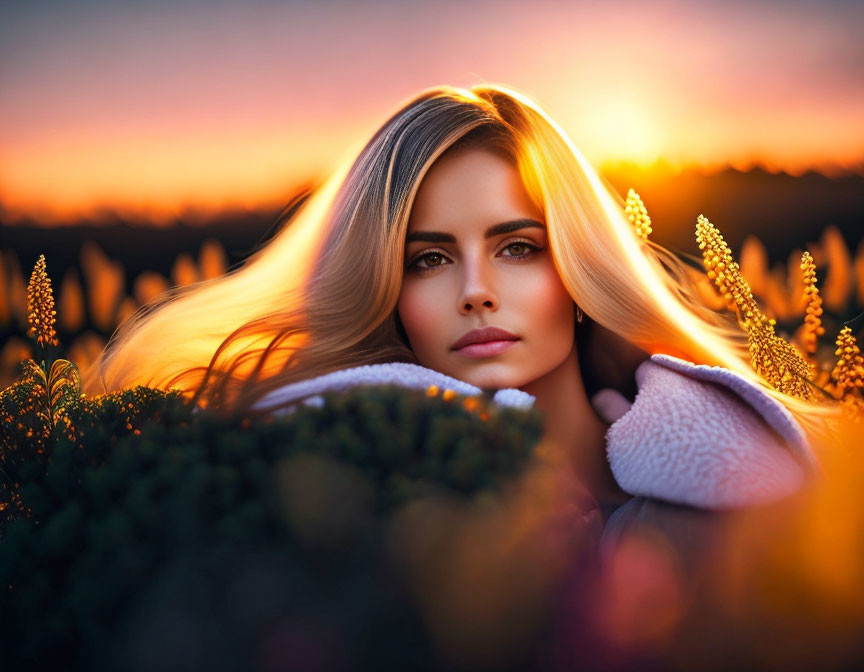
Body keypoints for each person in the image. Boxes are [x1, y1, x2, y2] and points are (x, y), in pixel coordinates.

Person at [81, 83, 841, 520]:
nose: (476, 291)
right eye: (430, 259)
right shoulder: (330, 515)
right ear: (385, 291)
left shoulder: (758, 500)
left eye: (519, 248)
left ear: (580, 272)